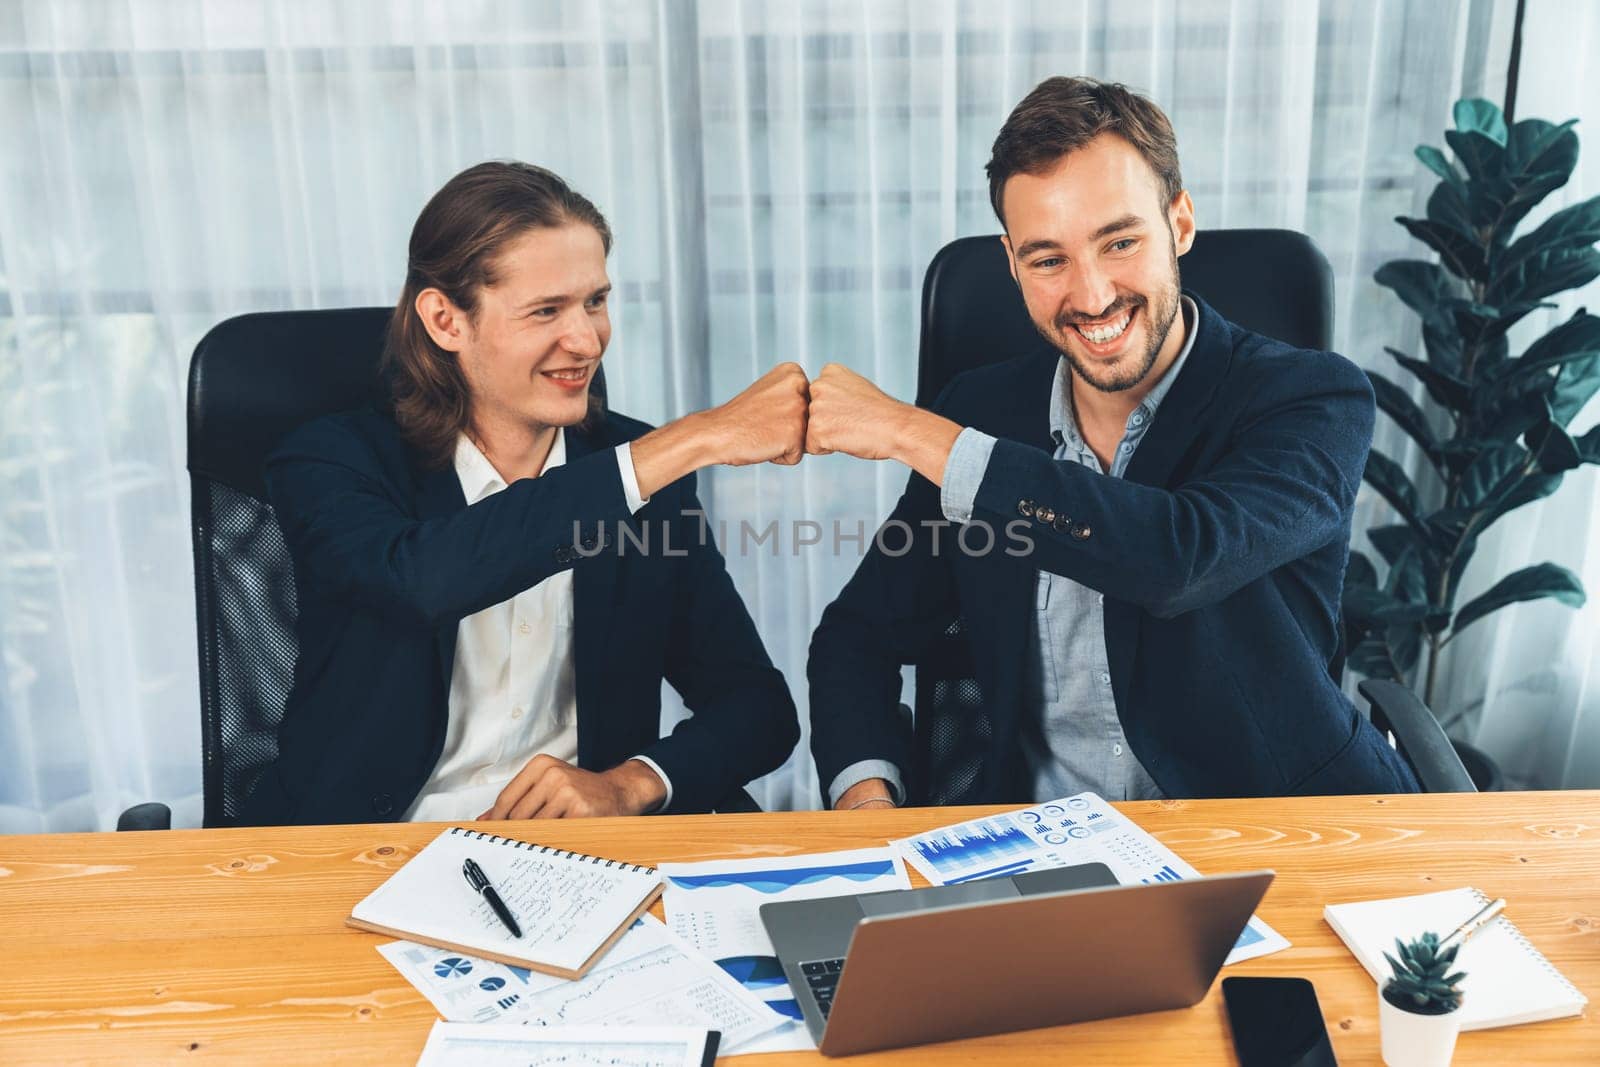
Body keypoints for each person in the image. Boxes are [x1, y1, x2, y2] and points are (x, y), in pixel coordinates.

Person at [805, 77, 1420, 811]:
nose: (1092, 295)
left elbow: (1176, 556)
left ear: (1180, 223)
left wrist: (913, 431)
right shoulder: (981, 410)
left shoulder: (1311, 400)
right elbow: (857, 635)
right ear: (1011, 263)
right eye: (1047, 259)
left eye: (1119, 241)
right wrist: (866, 799)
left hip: (1277, 836)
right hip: (1035, 851)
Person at [240, 161, 803, 826]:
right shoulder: (331, 459)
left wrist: (627, 784)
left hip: (578, 860)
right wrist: (693, 440)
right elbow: (422, 575)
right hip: (363, 851)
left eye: (595, 300)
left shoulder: (645, 475)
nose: (587, 339)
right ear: (447, 321)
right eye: (546, 311)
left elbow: (757, 708)